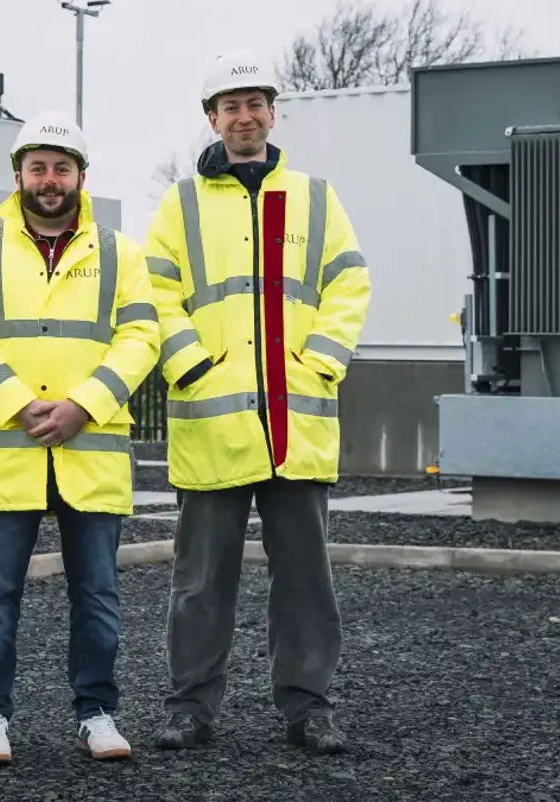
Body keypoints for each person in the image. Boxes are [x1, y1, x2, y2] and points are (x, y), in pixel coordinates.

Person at [145, 50, 372, 755]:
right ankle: (190, 708)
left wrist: (323, 361)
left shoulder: (314, 197)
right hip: (214, 425)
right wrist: (191, 365)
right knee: (200, 582)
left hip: (294, 423)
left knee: (306, 580)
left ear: (273, 112)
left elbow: (347, 284)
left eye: (255, 104)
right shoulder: (181, 203)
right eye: (230, 106)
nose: (244, 117)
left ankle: (309, 709)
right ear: (211, 119)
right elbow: (155, 291)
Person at [0, 111, 161, 765]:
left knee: (96, 594)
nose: (50, 179)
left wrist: (84, 406)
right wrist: (15, 403)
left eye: (62, 167)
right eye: (38, 167)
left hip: (89, 451)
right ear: (18, 176)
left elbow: (141, 335)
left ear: (82, 177)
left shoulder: (121, 254)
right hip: (9, 452)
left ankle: (97, 713)